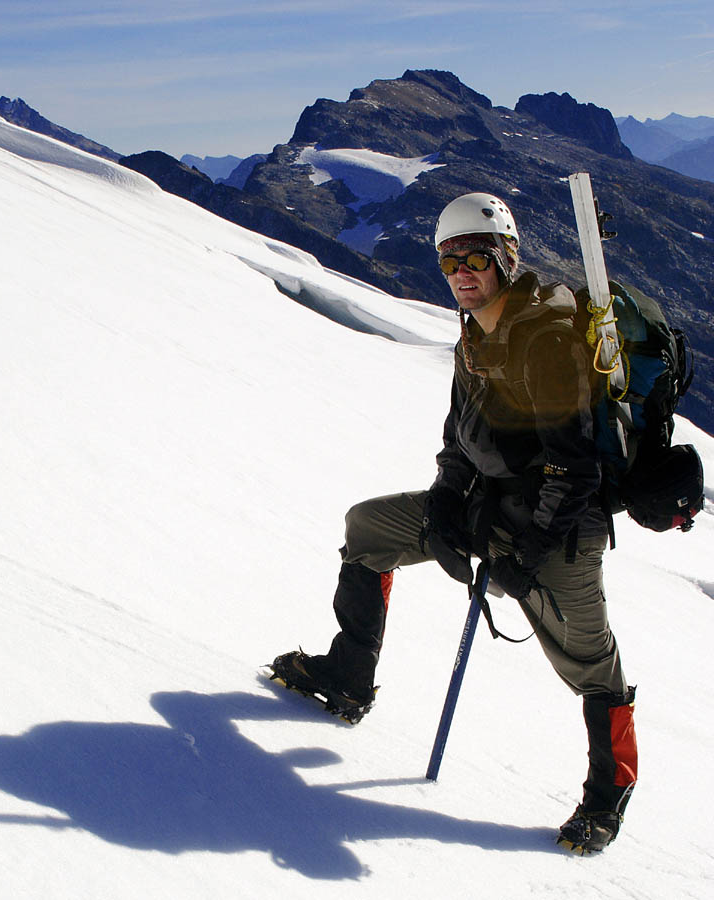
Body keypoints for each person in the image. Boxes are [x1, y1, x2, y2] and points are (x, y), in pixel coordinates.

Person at [270, 192, 638, 855]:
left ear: (508, 259)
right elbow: (459, 437)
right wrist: (444, 500)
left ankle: (606, 800)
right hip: (489, 509)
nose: (463, 272)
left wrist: (526, 556)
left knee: (592, 668)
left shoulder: (548, 338)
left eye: (477, 257)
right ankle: (348, 678)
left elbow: (575, 468)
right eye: (449, 261)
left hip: (560, 534)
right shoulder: (474, 334)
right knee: (370, 530)